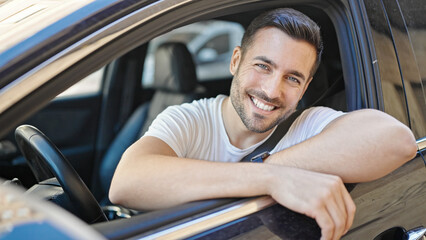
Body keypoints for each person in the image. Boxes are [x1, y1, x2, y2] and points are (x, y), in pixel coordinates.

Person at [109, 8, 417, 240]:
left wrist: (273, 164)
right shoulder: (191, 118)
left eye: (292, 78)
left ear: (306, 87)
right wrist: (271, 178)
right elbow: (126, 183)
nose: (271, 91)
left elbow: (397, 141)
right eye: (262, 66)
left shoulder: (307, 124)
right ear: (235, 61)